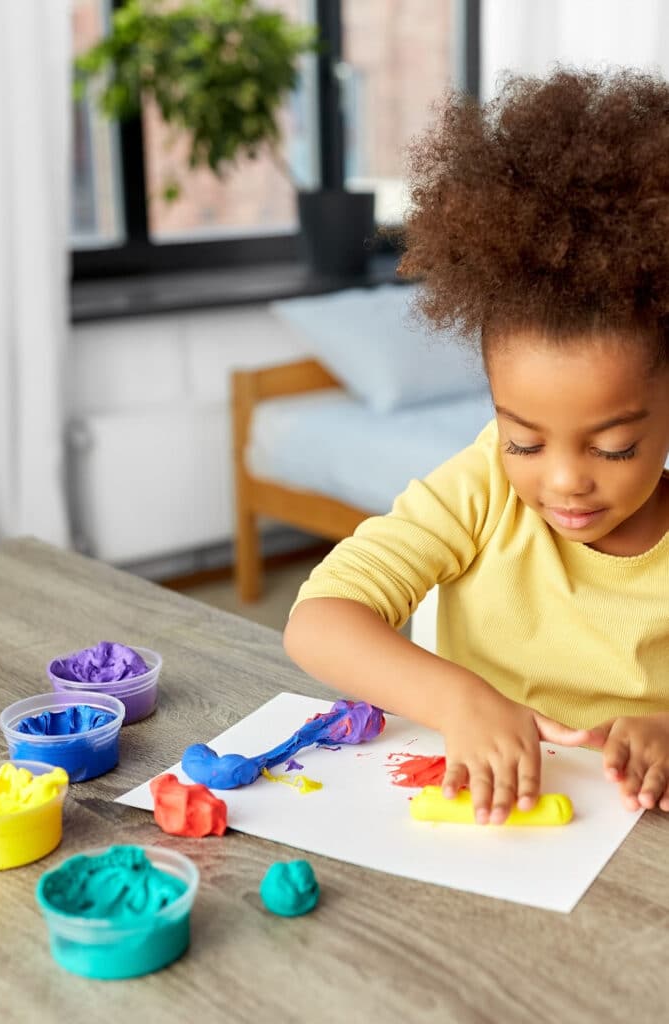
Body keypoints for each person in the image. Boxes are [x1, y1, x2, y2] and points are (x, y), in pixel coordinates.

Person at [283, 67, 669, 825]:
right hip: (476, 827)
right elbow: (320, 618)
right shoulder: (481, 488)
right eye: (522, 439)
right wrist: (460, 700)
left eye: (614, 448)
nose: (563, 482)